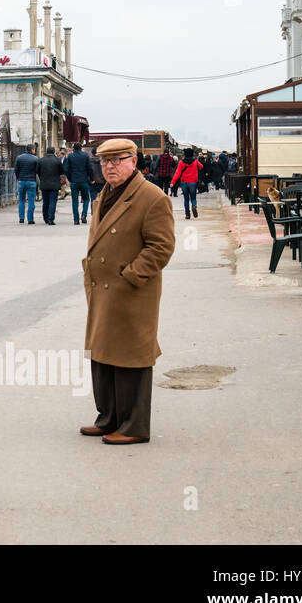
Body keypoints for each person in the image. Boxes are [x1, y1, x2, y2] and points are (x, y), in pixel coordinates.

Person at [80, 138, 175, 445]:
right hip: (102, 290)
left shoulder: (151, 197)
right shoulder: (105, 194)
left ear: (134, 162)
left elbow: (161, 247)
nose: (110, 167)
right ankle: (108, 418)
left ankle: (133, 426)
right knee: (104, 355)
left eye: (118, 160)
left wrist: (131, 276)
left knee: (131, 357)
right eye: (105, 162)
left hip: (131, 290)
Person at [63, 142, 93, 225]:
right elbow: (90, 168)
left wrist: (70, 178)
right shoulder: (86, 155)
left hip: (74, 181)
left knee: (75, 201)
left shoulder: (70, 156)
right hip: (84, 181)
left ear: (73, 148)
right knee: (86, 199)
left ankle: (76, 219)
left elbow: (66, 169)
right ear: (81, 148)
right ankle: (84, 215)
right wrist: (91, 179)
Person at [36, 146, 66, 225]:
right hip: (54, 184)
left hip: (44, 184)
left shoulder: (41, 160)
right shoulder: (57, 161)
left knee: (45, 202)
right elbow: (62, 172)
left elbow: (37, 171)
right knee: (53, 202)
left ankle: (45, 218)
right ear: (54, 152)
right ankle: (50, 219)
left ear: (46, 152)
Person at [170, 148, 202, 219]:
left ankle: (187, 214)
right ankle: (194, 205)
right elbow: (201, 167)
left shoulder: (181, 162)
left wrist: (173, 182)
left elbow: (177, 173)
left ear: (185, 154)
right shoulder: (195, 161)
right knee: (193, 197)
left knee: (186, 199)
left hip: (184, 182)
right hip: (193, 182)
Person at [13, 145, 40, 225]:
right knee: (31, 201)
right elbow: (37, 170)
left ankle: (21, 218)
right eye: (34, 150)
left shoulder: (19, 158)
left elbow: (16, 169)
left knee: (21, 200)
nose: (35, 151)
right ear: (32, 150)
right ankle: (30, 219)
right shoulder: (35, 159)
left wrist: (19, 178)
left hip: (21, 181)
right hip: (31, 181)